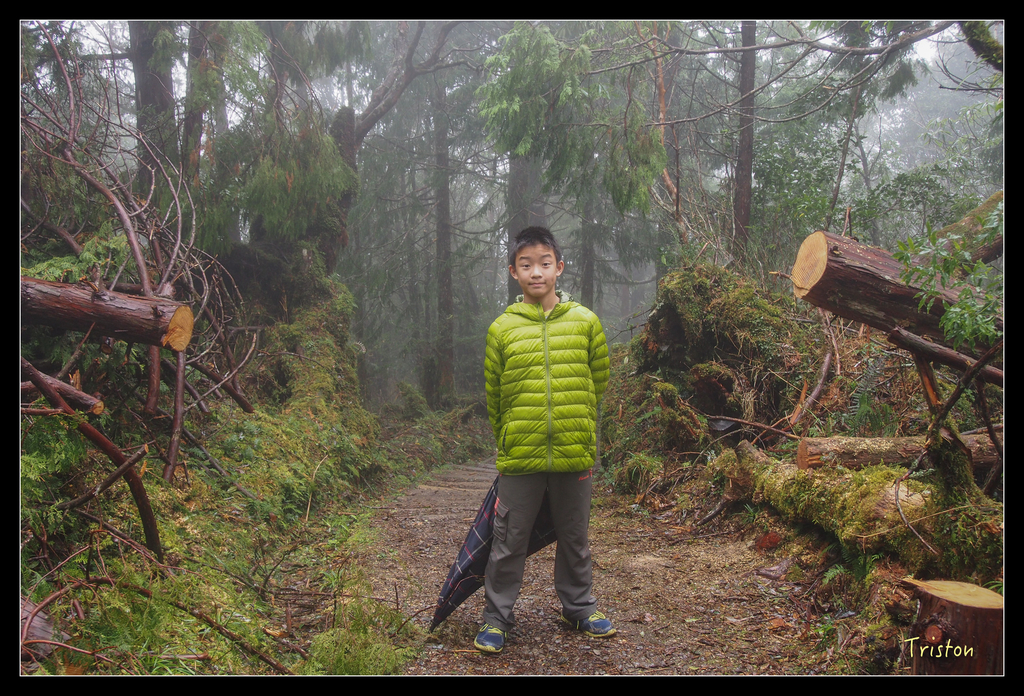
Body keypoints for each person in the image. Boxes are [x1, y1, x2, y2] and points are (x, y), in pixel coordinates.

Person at [475, 226, 615, 654]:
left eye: (544, 263)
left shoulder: (585, 322)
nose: (536, 272)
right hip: (521, 454)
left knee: (575, 537)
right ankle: (496, 618)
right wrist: (509, 437)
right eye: (526, 265)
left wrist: (578, 423)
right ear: (513, 272)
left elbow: (599, 381)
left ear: (559, 268)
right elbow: (495, 395)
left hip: (573, 452)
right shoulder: (502, 329)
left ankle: (579, 607)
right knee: (508, 539)